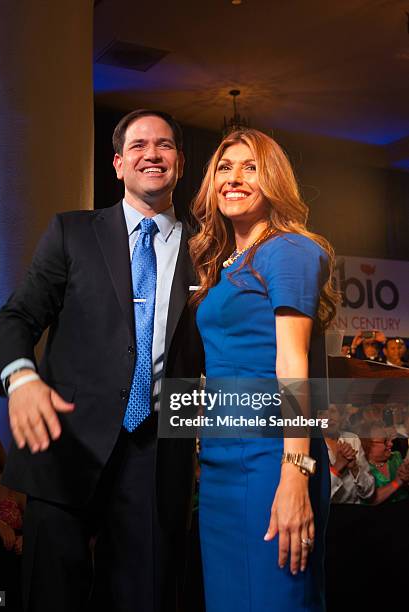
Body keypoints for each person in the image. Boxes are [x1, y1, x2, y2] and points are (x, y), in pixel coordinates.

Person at [0, 110, 204, 612]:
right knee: (51, 596)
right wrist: (21, 379)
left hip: (156, 457)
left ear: (180, 161)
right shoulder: (72, 232)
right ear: (117, 164)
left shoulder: (207, 249)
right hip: (66, 446)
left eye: (165, 145)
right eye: (139, 146)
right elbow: (17, 316)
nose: (152, 154)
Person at [189, 128, 338, 611]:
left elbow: (295, 366)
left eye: (249, 167)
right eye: (224, 167)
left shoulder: (289, 250)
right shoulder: (226, 263)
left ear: (272, 179)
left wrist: (295, 475)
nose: (234, 178)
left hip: (271, 460)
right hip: (220, 468)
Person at [324, 405, 374, 504]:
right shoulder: (309, 445)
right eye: (322, 413)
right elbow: (316, 497)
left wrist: (355, 468)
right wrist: (337, 467)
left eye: (333, 411)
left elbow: (369, 492)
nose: (329, 417)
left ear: (341, 415)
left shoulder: (352, 439)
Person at [360, 421, 409, 504]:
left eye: (389, 439)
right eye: (385, 441)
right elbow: (371, 500)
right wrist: (398, 481)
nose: (391, 444)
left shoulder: (396, 457)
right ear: (367, 445)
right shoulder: (362, 469)